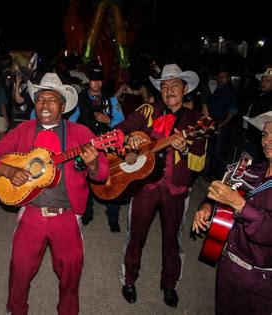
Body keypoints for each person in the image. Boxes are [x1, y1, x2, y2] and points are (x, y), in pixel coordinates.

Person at [0, 72, 109, 314]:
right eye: (40, 99)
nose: (45, 105)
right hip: (32, 211)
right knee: (19, 267)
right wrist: (8, 171)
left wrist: (92, 165)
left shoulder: (80, 134)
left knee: (71, 269)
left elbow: (102, 174)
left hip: (66, 214)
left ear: (63, 106)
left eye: (51, 99)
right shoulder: (24, 130)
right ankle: (16, 309)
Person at [116, 64, 207, 307]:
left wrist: (185, 147)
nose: (169, 90)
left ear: (185, 88)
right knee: (136, 235)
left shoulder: (197, 121)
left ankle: (169, 285)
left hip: (176, 189)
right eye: (164, 86)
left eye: (175, 85)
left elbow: (199, 162)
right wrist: (130, 138)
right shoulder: (148, 111)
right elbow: (119, 131)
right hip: (145, 185)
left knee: (172, 239)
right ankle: (129, 280)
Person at [193, 110, 272, 314]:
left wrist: (240, 204)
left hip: (261, 281)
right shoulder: (253, 170)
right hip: (228, 264)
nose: (267, 140)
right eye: (265, 134)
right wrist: (207, 206)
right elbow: (222, 189)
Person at [76, 66, 125, 232]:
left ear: (103, 82)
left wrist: (108, 120)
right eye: (92, 79)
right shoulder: (80, 98)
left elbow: (122, 123)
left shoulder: (111, 99)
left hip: (108, 145)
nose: (96, 83)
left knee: (111, 180)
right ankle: (87, 212)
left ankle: (113, 217)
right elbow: (73, 122)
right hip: (87, 145)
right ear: (88, 80)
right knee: (85, 179)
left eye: (99, 80)